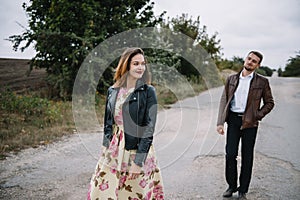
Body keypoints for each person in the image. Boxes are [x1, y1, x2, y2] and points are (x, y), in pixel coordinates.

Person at [87, 47, 164, 199]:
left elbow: (149, 128)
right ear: (126, 65)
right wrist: (105, 146)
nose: (140, 67)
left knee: (133, 193)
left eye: (143, 63)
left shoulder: (148, 91)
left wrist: (138, 161)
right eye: (136, 63)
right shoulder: (113, 90)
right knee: (102, 189)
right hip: (114, 149)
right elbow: (108, 122)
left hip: (135, 148)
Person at [216, 51, 274, 199]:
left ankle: (243, 190)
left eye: (254, 61)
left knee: (247, 157)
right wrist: (220, 122)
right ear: (245, 59)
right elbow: (224, 100)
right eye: (249, 59)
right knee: (230, 155)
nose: (250, 62)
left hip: (250, 123)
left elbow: (270, 103)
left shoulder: (262, 82)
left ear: (258, 65)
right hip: (233, 121)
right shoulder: (231, 79)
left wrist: (257, 115)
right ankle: (231, 186)